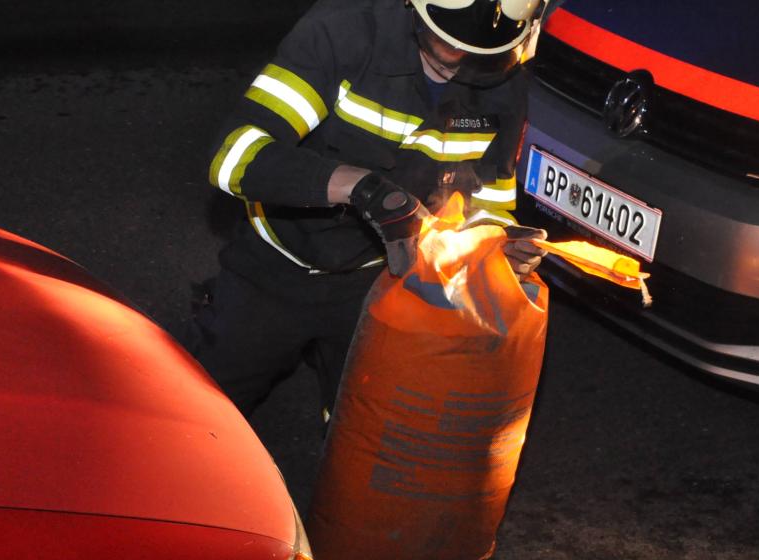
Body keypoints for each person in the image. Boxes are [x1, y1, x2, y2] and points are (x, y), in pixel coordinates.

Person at [194, 0, 549, 421]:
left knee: (362, 427)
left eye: (479, 52)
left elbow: (488, 197)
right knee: (202, 415)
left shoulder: (505, 84)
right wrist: (359, 187)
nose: (458, 62)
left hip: (381, 283)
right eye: (446, 43)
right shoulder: (343, 34)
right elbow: (232, 156)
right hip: (274, 269)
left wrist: (496, 244)